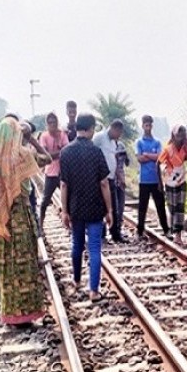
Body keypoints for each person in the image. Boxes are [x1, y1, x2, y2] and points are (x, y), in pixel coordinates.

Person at [0, 118, 51, 325]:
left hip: (1, 219)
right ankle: (27, 312)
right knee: (25, 263)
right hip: (21, 218)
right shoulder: (22, 155)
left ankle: (11, 314)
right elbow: (47, 158)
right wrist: (31, 139)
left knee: (7, 266)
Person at [60, 113, 113, 302]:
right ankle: (93, 291)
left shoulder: (65, 152)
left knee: (76, 244)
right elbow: (104, 183)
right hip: (94, 207)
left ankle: (76, 281)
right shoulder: (96, 152)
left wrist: (64, 210)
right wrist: (110, 210)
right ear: (90, 128)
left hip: (75, 208)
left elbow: (64, 185)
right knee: (95, 248)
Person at [136, 115, 170, 239]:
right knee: (142, 207)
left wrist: (147, 155)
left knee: (160, 206)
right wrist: (153, 156)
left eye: (150, 125)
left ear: (152, 125)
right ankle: (139, 231)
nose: (148, 127)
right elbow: (139, 159)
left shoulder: (157, 142)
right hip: (144, 180)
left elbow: (159, 158)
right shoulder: (139, 142)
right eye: (146, 125)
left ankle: (166, 229)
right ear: (143, 126)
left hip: (156, 179)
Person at [93, 119, 127, 242]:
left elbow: (114, 160)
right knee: (100, 207)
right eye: (119, 133)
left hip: (111, 179)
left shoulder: (113, 143)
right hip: (100, 179)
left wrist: (119, 176)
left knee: (114, 207)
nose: (119, 136)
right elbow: (92, 152)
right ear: (114, 129)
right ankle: (101, 234)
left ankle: (115, 234)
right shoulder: (99, 137)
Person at [159, 125, 187, 246]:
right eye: (178, 135)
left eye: (182, 135)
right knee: (172, 207)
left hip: (181, 180)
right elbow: (159, 163)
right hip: (169, 181)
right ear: (173, 135)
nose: (180, 137)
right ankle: (171, 230)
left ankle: (178, 236)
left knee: (180, 207)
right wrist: (159, 182)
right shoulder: (168, 149)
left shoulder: (185, 148)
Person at [39, 112, 69, 226]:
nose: (52, 124)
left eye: (54, 122)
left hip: (62, 172)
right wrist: (58, 152)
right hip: (50, 173)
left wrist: (53, 154)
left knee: (68, 199)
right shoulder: (44, 136)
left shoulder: (62, 134)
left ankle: (70, 223)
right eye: (50, 122)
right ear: (47, 124)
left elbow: (66, 151)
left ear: (57, 122)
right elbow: (46, 156)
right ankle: (40, 225)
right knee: (45, 201)